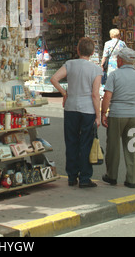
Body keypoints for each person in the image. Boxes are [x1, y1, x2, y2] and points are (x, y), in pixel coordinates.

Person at [50, 37, 102, 188]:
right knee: (86, 142)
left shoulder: (70, 64)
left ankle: (72, 176)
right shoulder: (96, 69)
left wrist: (64, 93)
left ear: (78, 50)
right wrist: (98, 116)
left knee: (71, 141)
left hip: (71, 107)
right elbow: (95, 94)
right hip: (87, 109)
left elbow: (54, 79)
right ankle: (85, 177)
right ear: (92, 52)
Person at [101, 47, 135, 188]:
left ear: (121, 60)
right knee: (132, 147)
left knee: (113, 147)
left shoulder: (114, 75)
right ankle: (132, 179)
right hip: (134, 115)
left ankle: (112, 176)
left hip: (117, 114)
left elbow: (107, 96)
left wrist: (103, 113)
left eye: (117, 59)